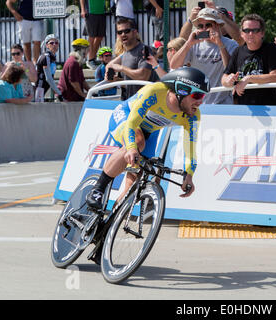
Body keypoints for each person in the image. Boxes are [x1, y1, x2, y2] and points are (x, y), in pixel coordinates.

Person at [85, 67, 209, 209]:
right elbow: (131, 123)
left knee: (134, 185)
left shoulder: (192, 116)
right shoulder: (155, 92)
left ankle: (108, 223)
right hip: (126, 117)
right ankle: (98, 189)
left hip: (150, 132)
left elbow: (191, 149)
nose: (200, 102)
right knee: (138, 142)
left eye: (203, 97)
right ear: (182, 90)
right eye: (198, 96)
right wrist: (131, 148)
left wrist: (189, 175)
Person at [171, 7, 239, 105]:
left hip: (223, 103)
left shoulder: (230, 44)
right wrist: (188, 44)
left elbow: (230, 69)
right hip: (197, 102)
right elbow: (174, 65)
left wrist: (220, 44)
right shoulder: (194, 44)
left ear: (217, 25)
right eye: (200, 26)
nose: (204, 29)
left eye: (208, 25)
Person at [221, 14, 276, 106]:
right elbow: (224, 78)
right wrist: (229, 80)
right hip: (243, 110)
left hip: (269, 108)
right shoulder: (238, 51)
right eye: (247, 30)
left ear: (262, 33)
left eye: (255, 30)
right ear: (242, 33)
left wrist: (248, 79)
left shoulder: (271, 49)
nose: (250, 34)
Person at [106, 18, 158, 100]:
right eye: (120, 32)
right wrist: (115, 79)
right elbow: (130, 82)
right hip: (129, 102)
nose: (123, 34)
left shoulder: (145, 50)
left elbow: (143, 76)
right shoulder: (125, 54)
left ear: (135, 32)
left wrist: (121, 68)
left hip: (145, 104)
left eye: (127, 31)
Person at [178, 2, 243, 46]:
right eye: (201, 26)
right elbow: (181, 41)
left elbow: (240, 40)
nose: (205, 27)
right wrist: (190, 19)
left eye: (208, 25)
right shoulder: (203, 35)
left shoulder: (231, 39)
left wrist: (222, 18)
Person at [35, 34, 62, 102]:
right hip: (39, 88)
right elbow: (48, 78)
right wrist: (58, 93)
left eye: (56, 43)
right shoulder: (46, 57)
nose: (54, 45)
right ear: (47, 45)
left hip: (44, 88)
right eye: (52, 43)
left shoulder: (52, 57)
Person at [80, 0, 106, 70]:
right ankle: (90, 60)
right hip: (91, 12)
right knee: (92, 36)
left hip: (101, 12)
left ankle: (92, 58)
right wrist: (83, 9)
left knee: (100, 36)